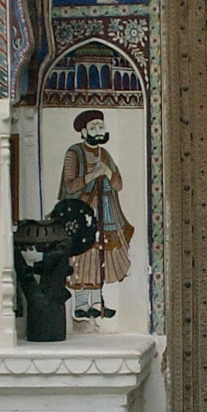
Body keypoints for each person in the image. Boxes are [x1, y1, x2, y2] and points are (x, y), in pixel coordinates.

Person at [58, 110, 134, 320]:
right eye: (93, 127)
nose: (98, 130)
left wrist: (107, 172)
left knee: (102, 254)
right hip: (81, 213)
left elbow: (118, 184)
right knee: (82, 256)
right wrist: (92, 175)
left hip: (105, 211)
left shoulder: (105, 154)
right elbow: (69, 186)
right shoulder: (74, 153)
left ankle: (98, 303)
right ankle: (81, 304)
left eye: (101, 126)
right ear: (83, 132)